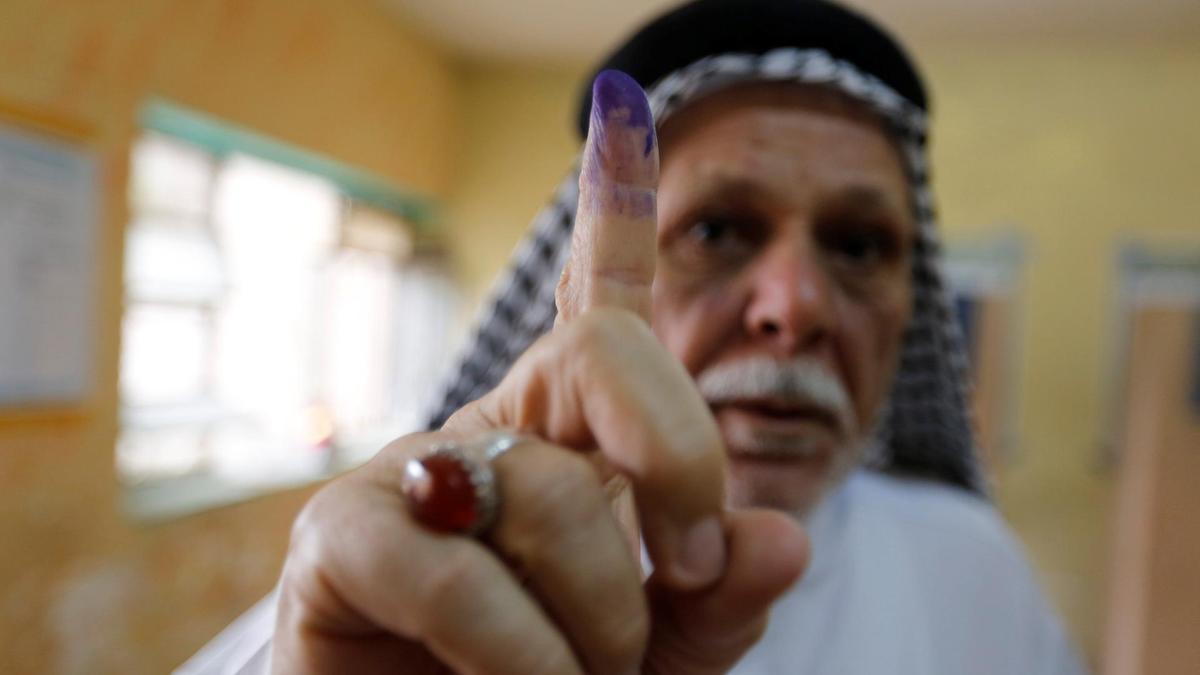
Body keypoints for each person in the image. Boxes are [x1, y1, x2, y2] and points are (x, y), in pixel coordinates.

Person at [179, 1, 1086, 673]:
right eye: (719, 230)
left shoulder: (976, 569)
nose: (797, 305)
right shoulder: (400, 605)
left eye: (856, 246)